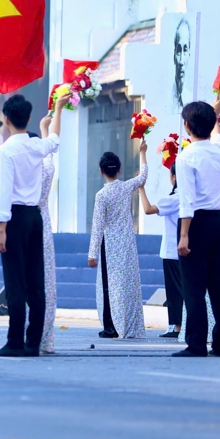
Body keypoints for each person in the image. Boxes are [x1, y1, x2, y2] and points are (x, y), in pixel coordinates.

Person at [0, 92, 68, 357]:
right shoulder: (36, 146)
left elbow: (3, 192)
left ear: (6, 119)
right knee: (36, 281)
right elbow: (55, 140)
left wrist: (1, 229)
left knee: (15, 281)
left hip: (14, 217)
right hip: (35, 217)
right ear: (29, 119)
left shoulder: (6, 150)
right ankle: (33, 341)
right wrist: (59, 108)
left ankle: (14, 341)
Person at [173, 100, 220, 357]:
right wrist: (216, 114)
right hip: (217, 223)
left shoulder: (186, 157)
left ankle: (196, 343)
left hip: (194, 223)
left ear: (186, 126)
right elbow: (218, 137)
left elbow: (186, 200)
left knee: (193, 286)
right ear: (211, 125)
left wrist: (184, 235)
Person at [87, 145, 148, 339]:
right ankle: (128, 323)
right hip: (127, 242)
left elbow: (97, 226)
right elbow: (143, 176)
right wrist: (143, 153)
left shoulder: (102, 195)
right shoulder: (126, 186)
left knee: (108, 285)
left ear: (101, 171)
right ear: (119, 169)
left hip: (110, 245)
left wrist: (92, 253)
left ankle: (111, 326)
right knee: (126, 284)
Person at [139, 164, 183, 339]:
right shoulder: (189, 197)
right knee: (180, 290)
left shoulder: (172, 199)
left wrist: (141, 189)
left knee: (174, 292)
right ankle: (178, 325)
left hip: (172, 251)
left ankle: (177, 326)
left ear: (173, 177)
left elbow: (148, 209)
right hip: (182, 250)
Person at [33, 129, 58, 354]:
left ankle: (27, 335)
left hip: (26, 220)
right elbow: (52, 147)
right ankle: (46, 339)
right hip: (45, 223)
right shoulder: (48, 167)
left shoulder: (26, 170)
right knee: (47, 282)